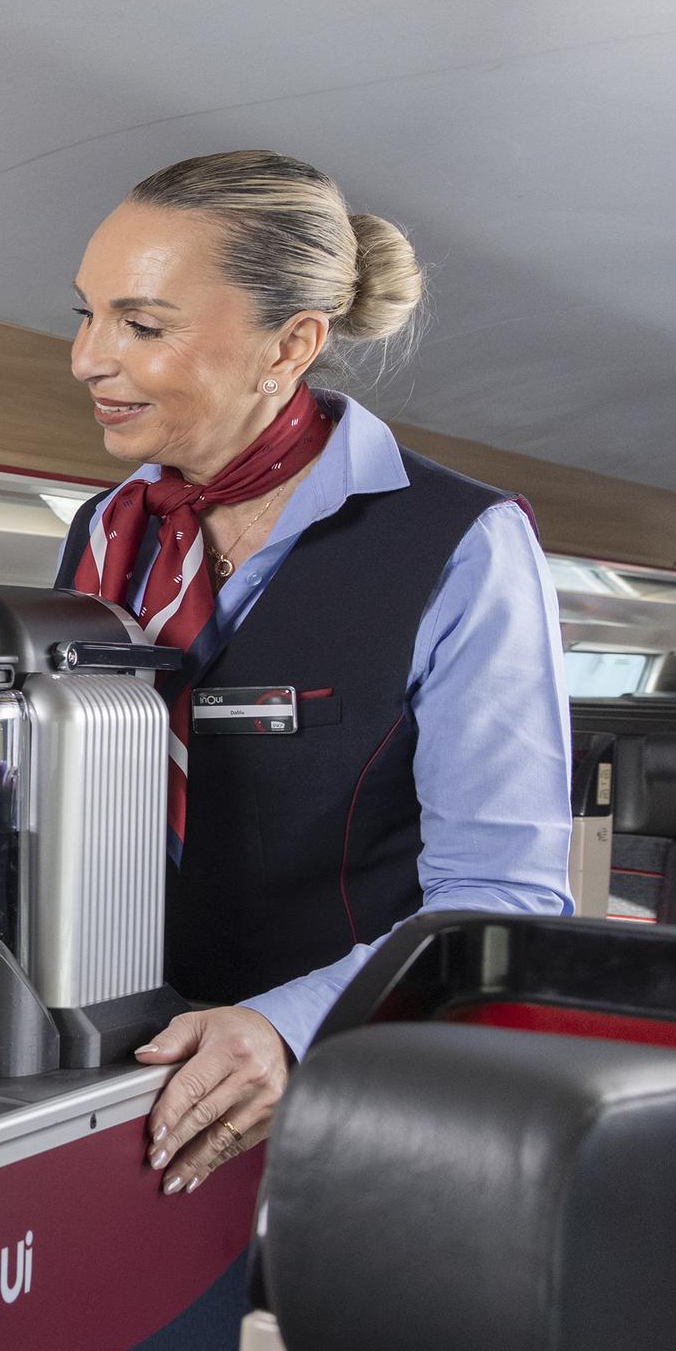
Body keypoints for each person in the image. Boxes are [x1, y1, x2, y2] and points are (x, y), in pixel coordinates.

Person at [61, 150, 573, 1194]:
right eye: (86, 314)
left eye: (141, 325)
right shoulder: (107, 534)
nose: (87, 359)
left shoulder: (457, 543)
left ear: (288, 346)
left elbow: (501, 898)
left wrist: (285, 1028)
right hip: (115, 1081)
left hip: (354, 1094)